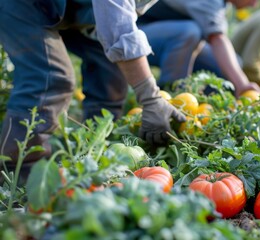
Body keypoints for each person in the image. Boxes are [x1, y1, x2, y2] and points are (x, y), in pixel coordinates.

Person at [0, 0, 185, 181]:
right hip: (24, 6)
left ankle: (91, 154)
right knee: (51, 77)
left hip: (75, 11)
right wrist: (151, 98)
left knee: (110, 73)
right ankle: (16, 172)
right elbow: (119, 26)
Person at [137, 0, 260, 97]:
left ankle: (203, 104)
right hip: (135, 36)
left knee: (232, 67)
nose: (255, 4)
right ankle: (168, 97)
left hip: (169, 37)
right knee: (189, 31)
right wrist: (243, 85)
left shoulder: (223, 4)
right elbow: (217, 39)